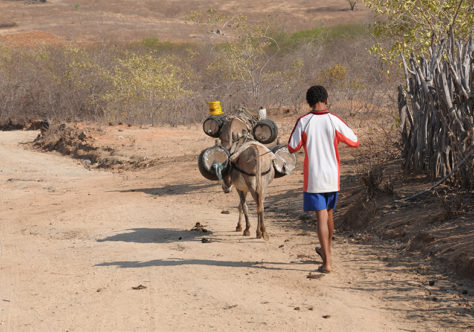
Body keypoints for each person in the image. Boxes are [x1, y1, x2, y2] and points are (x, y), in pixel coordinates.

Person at [288, 85, 359, 273]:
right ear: (327, 100)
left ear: (308, 103)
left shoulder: (304, 121)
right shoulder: (334, 120)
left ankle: (327, 262)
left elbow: (292, 147)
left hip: (314, 176)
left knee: (320, 216)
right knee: (329, 214)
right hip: (332, 176)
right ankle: (327, 252)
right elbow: (354, 141)